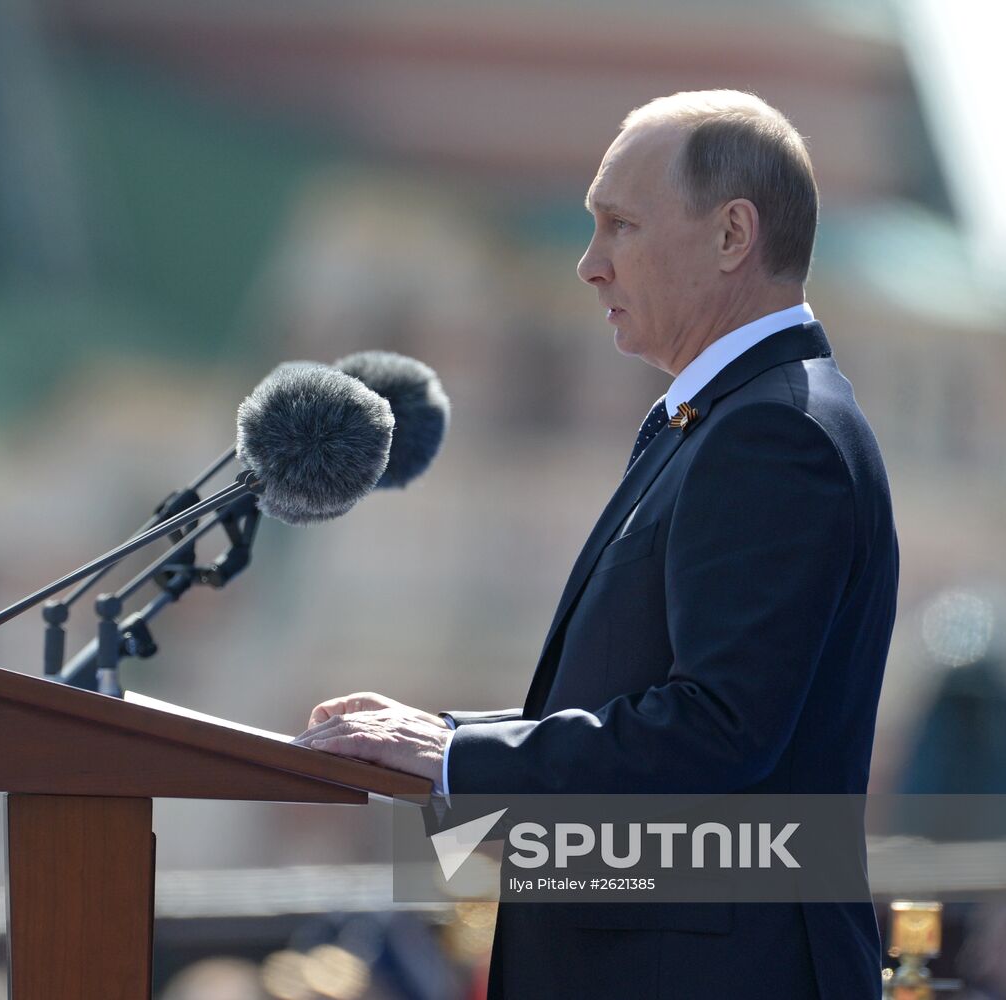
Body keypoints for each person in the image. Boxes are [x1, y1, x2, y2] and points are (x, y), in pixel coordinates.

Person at [293, 90, 898, 999]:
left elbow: (717, 730)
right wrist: (442, 736)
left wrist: (459, 760)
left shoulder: (774, 434)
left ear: (733, 236)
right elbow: (640, 698)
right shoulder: (725, 421)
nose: (589, 266)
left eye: (620, 226)